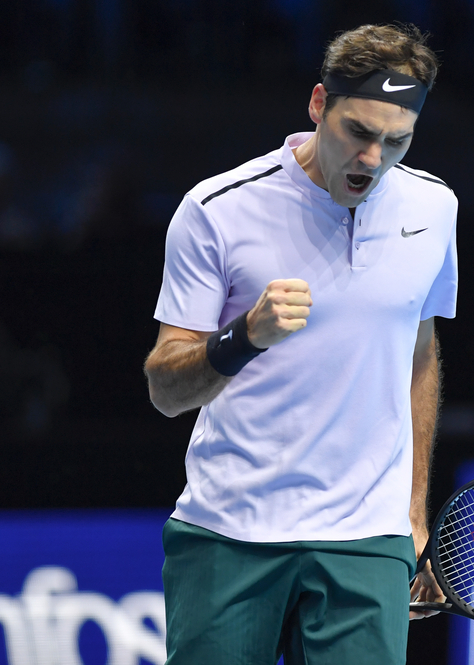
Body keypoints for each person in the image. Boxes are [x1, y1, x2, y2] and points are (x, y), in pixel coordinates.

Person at [143, 24, 456, 665]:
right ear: (319, 105)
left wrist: (413, 516)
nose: (373, 159)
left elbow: (418, 356)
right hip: (230, 531)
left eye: (396, 141)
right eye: (359, 133)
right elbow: (165, 389)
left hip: (367, 538)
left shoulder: (435, 209)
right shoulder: (216, 209)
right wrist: (244, 337)